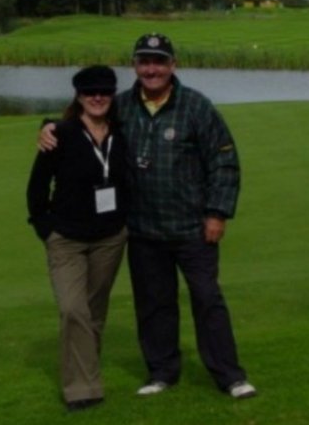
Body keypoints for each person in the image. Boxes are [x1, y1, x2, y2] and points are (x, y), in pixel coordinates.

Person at [40, 34, 256, 400]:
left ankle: (230, 375)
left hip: (192, 228)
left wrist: (217, 213)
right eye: (144, 61)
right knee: (154, 304)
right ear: (135, 66)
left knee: (206, 298)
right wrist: (46, 126)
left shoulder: (196, 107)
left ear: (173, 65)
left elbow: (224, 163)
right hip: (142, 230)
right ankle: (162, 372)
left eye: (159, 61)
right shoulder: (121, 106)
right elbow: (80, 119)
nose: (151, 69)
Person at [27, 65, 130, 413]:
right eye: (90, 92)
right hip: (67, 238)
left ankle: (87, 377)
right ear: (79, 96)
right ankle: (81, 389)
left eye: (104, 91)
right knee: (73, 309)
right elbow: (37, 188)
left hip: (110, 238)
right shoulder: (61, 133)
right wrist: (47, 229)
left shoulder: (124, 131)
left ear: (113, 95)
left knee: (94, 312)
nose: (97, 97)